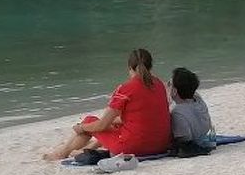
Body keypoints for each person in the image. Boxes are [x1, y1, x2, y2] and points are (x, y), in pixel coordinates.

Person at [44, 48, 172, 163]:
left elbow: (102, 125)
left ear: (129, 67)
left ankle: (63, 153)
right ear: (150, 66)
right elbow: (142, 117)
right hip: (161, 145)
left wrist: (82, 127)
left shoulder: (125, 89)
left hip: (134, 148)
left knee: (89, 121)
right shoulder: (160, 84)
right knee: (116, 123)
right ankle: (85, 149)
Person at [169, 67, 216, 156]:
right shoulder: (198, 100)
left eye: (169, 84)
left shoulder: (177, 112)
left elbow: (184, 138)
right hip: (203, 133)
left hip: (193, 139)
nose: (168, 87)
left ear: (174, 91)